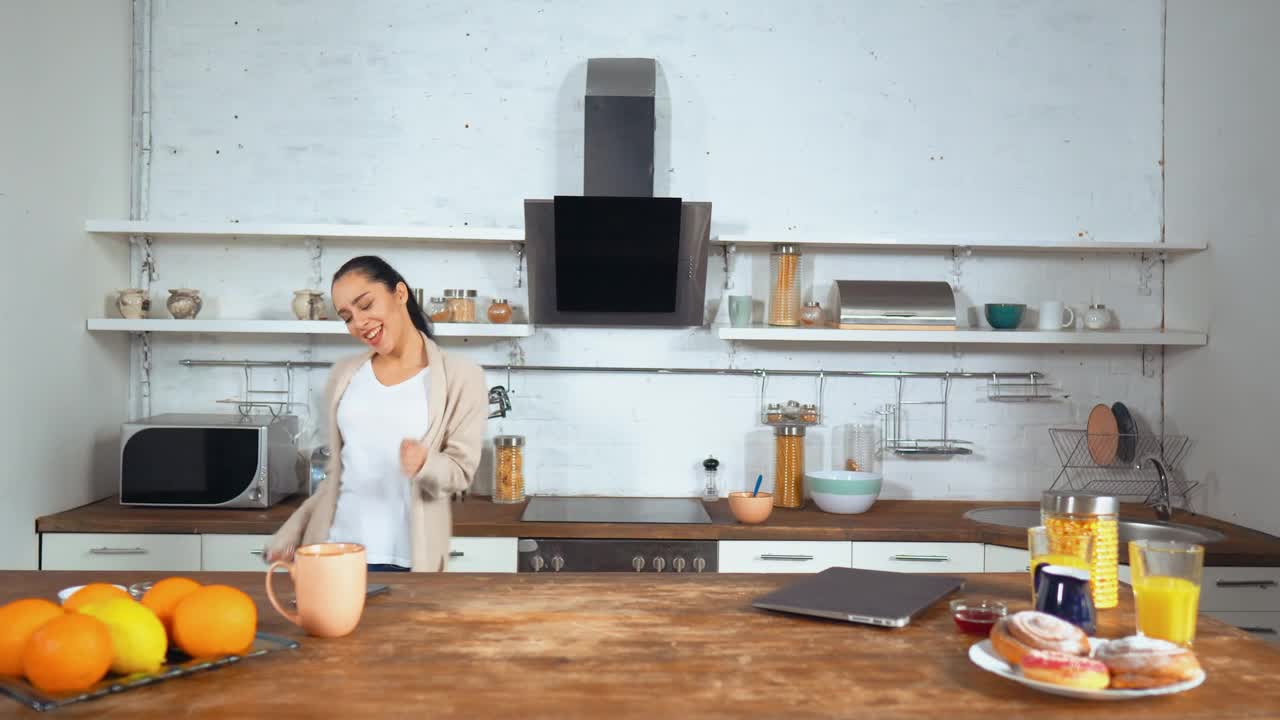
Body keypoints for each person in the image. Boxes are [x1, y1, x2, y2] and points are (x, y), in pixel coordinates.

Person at [267, 255, 487, 572]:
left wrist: (425, 463)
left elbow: (461, 471)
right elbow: (339, 478)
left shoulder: (460, 376)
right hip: (334, 551)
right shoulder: (344, 375)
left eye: (366, 305)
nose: (358, 323)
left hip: (407, 558)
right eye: (347, 317)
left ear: (400, 293)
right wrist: (292, 531)